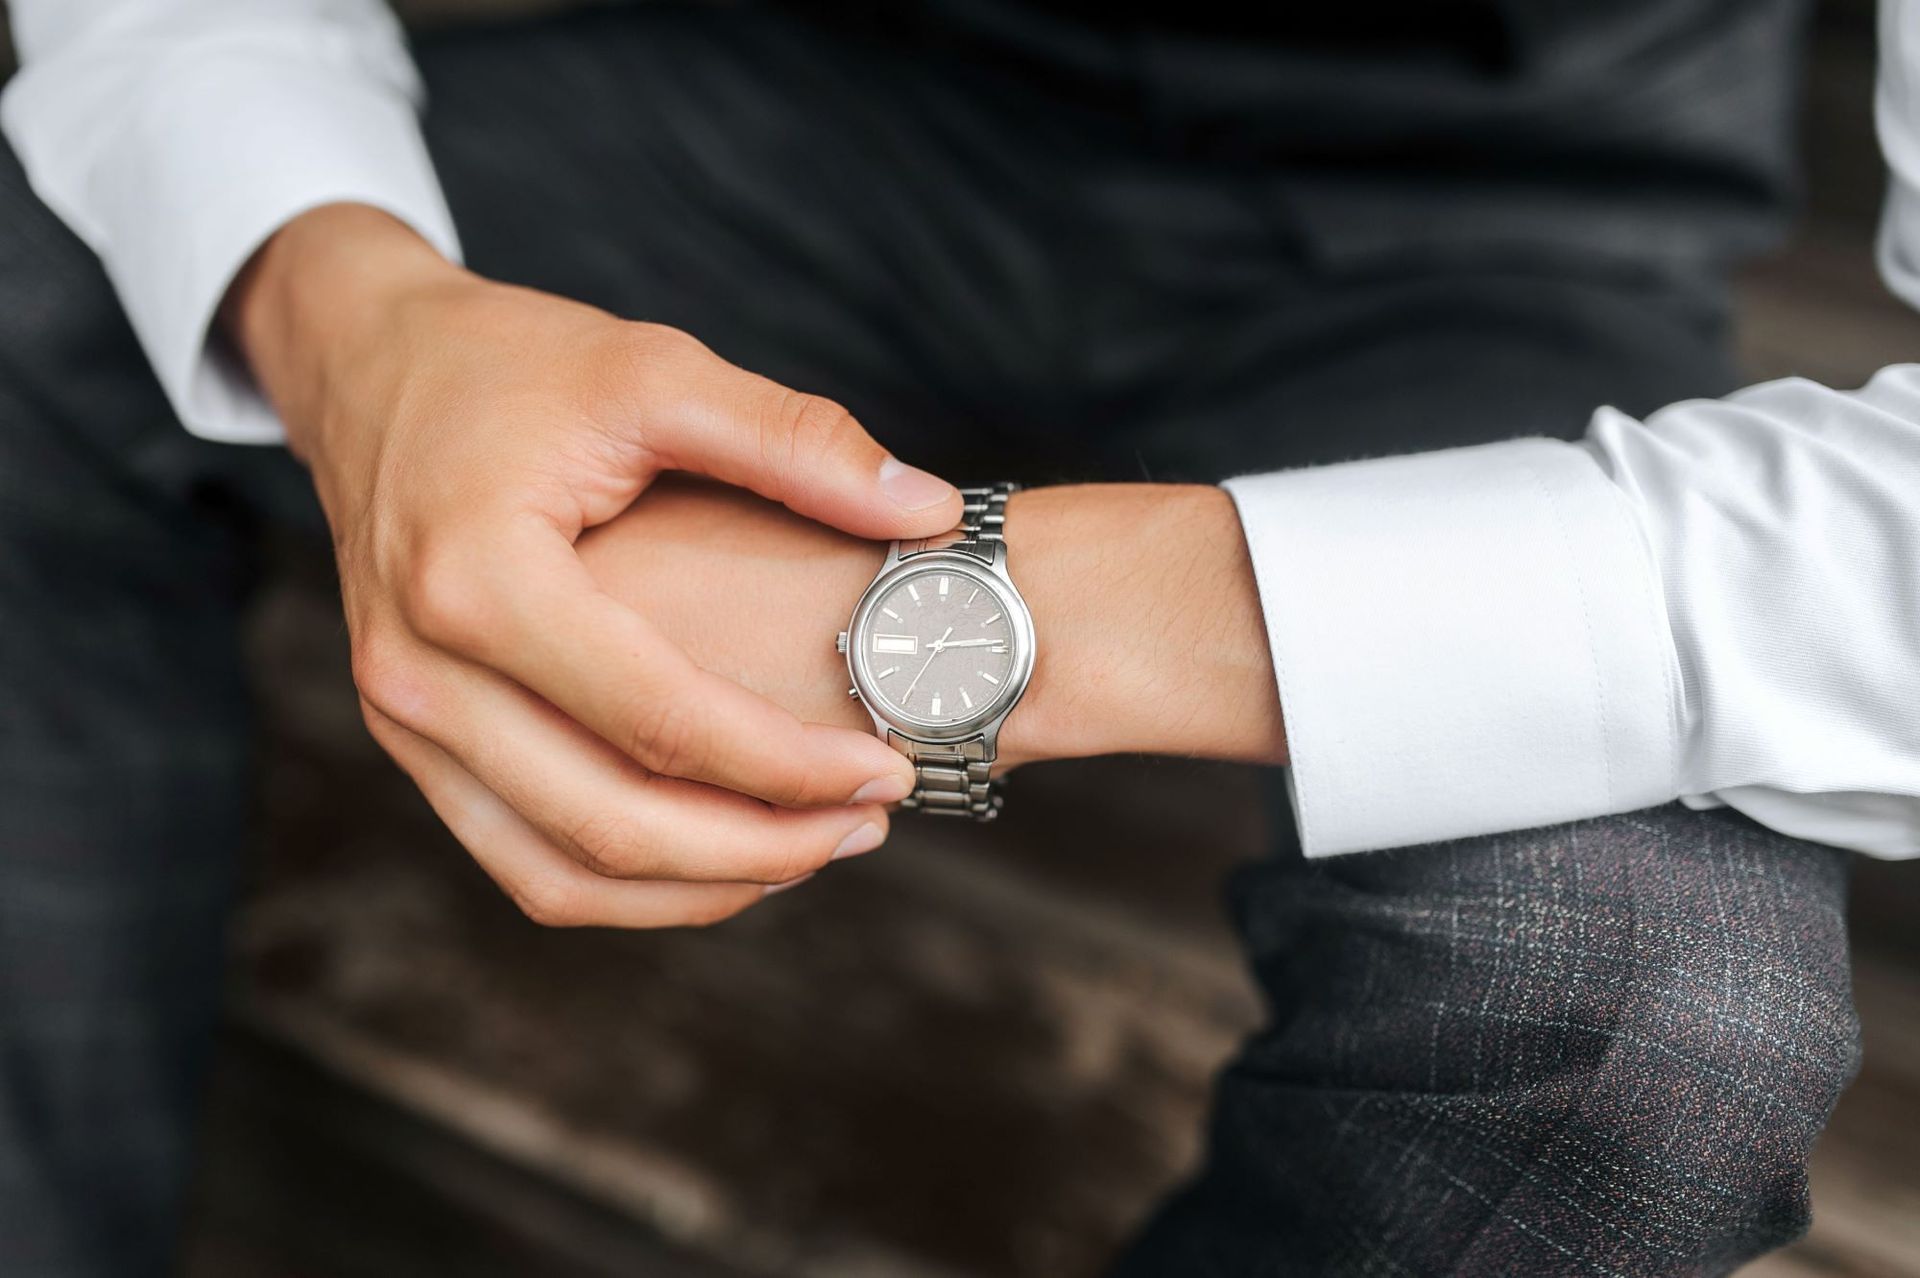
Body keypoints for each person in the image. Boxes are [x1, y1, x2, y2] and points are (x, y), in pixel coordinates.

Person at [1, 0, 1913, 1273]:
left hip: (1509, 223)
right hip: (849, 88)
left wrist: (956, 621)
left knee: (1644, 1033)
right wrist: (356, 321)